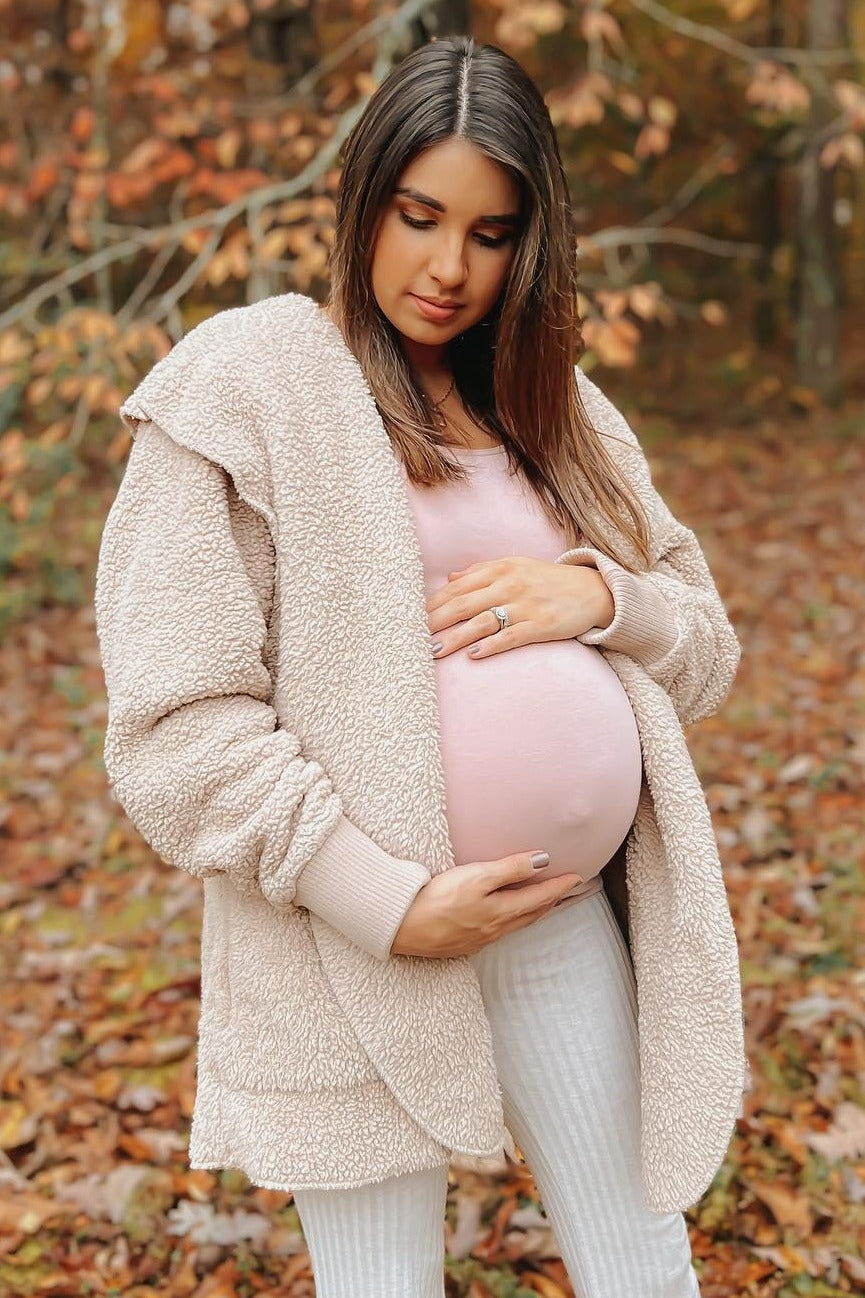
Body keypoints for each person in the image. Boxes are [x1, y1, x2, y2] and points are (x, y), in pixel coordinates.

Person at [94, 34, 749, 1298]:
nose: (449, 268)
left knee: (641, 1268)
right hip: (352, 949)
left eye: (492, 233)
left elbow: (704, 647)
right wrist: (382, 900)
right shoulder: (248, 383)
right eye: (418, 216)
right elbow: (174, 726)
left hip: (560, 922)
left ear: (531, 242)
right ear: (361, 196)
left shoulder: (555, 406)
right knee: (384, 1286)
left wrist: (600, 596)